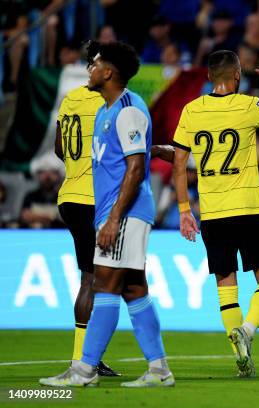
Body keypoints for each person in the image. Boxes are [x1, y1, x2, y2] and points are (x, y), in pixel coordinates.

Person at [40, 41, 173, 388]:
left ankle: (84, 370)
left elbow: (134, 169)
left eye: (95, 64)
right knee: (132, 289)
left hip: (125, 212)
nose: (89, 69)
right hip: (112, 211)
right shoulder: (105, 111)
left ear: (109, 72)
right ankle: (159, 370)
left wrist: (113, 219)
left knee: (104, 285)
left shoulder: (128, 108)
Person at [171, 50, 259, 378]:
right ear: (237, 76)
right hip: (248, 208)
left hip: (212, 213)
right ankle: (249, 329)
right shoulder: (249, 105)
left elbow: (177, 164)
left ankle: (241, 360)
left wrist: (185, 210)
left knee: (225, 285)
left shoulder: (191, 110)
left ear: (209, 78)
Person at [52, 84, 120, 377]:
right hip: (95, 200)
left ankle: (88, 357)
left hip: (68, 196)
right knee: (96, 281)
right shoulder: (109, 102)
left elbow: (59, 147)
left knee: (93, 278)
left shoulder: (70, 98)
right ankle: (82, 360)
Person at [20, 152, 64, 229]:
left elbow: (67, 220)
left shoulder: (64, 197)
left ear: (59, 175)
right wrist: (50, 218)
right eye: (43, 172)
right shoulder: (30, 196)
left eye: (52, 172)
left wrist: (36, 217)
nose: (47, 176)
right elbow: (25, 217)